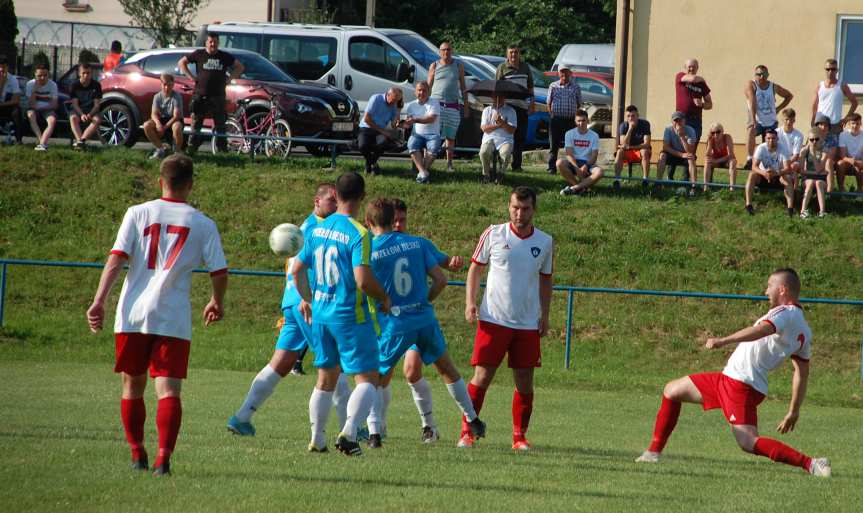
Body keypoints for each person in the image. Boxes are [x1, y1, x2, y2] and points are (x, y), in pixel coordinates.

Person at [86, 154, 228, 476]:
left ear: (159, 181)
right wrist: (216, 300)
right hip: (172, 316)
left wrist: (99, 301)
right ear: (190, 185)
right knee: (168, 389)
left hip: (132, 313)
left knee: (131, 386)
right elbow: (219, 271)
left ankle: (137, 454)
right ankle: (163, 459)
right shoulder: (202, 223)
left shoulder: (138, 213)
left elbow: (116, 259)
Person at [635, 269, 831, 479]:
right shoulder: (804, 330)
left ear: (782, 289)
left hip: (741, 384)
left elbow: (763, 330)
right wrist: (794, 410)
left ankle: (811, 463)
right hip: (730, 378)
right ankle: (653, 452)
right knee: (672, 390)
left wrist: (724, 340)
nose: (766, 291)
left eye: (769, 286)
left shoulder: (785, 312)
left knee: (748, 441)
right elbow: (801, 373)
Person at [226, 184, 356, 437]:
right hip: (306, 302)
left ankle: (242, 417)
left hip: (292, 302)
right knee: (333, 365)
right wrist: (309, 299)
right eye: (331, 200)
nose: (336, 204)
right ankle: (350, 429)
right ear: (317, 201)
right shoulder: (317, 229)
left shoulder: (304, 228)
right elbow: (307, 271)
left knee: (281, 363)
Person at [363, 198, 486, 448]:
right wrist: (422, 301)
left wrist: (383, 298)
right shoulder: (417, 243)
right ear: (392, 219)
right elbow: (441, 280)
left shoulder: (371, 251)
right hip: (424, 319)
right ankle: (473, 420)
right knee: (447, 369)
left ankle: (374, 432)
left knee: (377, 376)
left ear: (368, 222)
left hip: (396, 322)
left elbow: (362, 282)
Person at [291, 172, 391, 456]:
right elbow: (362, 280)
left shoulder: (316, 229)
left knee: (325, 378)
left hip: (321, 314)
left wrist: (308, 299)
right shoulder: (359, 233)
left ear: (335, 195)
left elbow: (296, 270)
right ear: (362, 197)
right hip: (350, 316)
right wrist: (383, 296)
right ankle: (348, 433)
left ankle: (317, 438)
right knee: (368, 378)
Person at [461, 186, 553, 450]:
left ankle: (519, 437)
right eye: (515, 207)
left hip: (526, 323)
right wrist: (470, 303)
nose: (519, 213)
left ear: (533, 210)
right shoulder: (493, 233)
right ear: (508, 206)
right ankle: (467, 431)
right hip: (493, 320)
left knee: (524, 381)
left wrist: (544, 315)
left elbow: (546, 281)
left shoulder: (545, 242)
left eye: (525, 209)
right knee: (482, 376)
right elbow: (475, 269)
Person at [389, 198, 466, 442]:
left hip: (414, 321)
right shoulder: (376, 246)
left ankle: (429, 426)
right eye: (394, 221)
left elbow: (444, 264)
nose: (399, 225)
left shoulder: (417, 245)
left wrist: (453, 263)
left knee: (411, 370)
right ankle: (375, 429)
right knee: (389, 375)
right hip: (387, 323)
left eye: (402, 220)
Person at [178, 33, 244, 154]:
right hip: (200, 96)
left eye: (215, 41)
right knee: (196, 125)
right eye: (210, 42)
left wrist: (229, 80)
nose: (213, 44)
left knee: (220, 126)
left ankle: (222, 152)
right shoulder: (199, 54)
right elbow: (182, 63)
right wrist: (191, 77)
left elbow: (240, 67)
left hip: (218, 96)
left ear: (218, 43)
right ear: (206, 43)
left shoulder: (224, 56)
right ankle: (192, 150)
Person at [428, 41, 468, 173]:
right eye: (444, 50)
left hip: (453, 105)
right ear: (440, 52)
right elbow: (428, 87)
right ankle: (426, 162)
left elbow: (463, 87)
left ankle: (449, 164)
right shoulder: (434, 65)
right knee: (432, 134)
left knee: (450, 137)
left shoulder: (458, 66)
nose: (446, 52)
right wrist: (425, 105)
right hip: (436, 105)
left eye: (449, 50)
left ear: (452, 51)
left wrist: (466, 106)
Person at [743, 65, 793, 169]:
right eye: (759, 74)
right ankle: (749, 159)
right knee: (750, 130)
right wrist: (753, 118)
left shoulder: (773, 87)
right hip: (757, 120)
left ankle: (768, 165)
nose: (761, 76)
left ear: (768, 75)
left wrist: (778, 108)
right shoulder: (751, 85)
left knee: (770, 144)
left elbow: (789, 96)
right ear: (755, 75)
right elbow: (752, 101)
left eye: (764, 74)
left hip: (771, 121)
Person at [810, 58, 857, 164]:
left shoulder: (842, 85)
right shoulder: (820, 86)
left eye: (833, 69)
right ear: (825, 70)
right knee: (817, 155)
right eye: (828, 69)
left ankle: (829, 178)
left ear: (837, 70)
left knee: (832, 159)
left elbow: (854, 102)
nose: (830, 72)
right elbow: (814, 105)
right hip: (820, 125)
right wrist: (813, 121)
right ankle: (816, 178)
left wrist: (845, 119)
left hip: (835, 126)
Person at [495, 45, 534, 172]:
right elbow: (497, 88)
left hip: (522, 106)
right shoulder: (502, 67)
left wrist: (532, 104)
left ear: (519, 54)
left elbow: (530, 88)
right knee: (505, 136)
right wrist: (497, 107)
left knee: (520, 137)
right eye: (511, 53)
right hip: (507, 106)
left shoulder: (525, 67)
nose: (513, 55)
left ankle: (517, 165)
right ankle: (502, 163)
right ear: (507, 54)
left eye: (516, 52)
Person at [744, 129, 795, 216]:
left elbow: (787, 168)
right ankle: (748, 204)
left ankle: (790, 208)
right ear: (765, 138)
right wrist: (764, 173)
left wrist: (775, 173)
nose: (771, 141)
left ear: (777, 139)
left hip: (778, 175)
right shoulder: (761, 148)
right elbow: (754, 166)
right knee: (752, 174)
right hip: (763, 176)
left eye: (773, 138)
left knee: (787, 178)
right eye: (768, 138)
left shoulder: (783, 148)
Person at [357, 88, 403, 175]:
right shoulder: (376, 99)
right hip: (366, 128)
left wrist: (398, 111)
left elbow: (394, 125)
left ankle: (369, 164)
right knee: (362, 145)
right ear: (388, 95)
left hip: (379, 131)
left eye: (397, 101)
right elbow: (367, 119)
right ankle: (373, 164)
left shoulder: (394, 105)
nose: (394, 103)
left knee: (383, 143)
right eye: (393, 100)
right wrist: (383, 131)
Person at [402, 81, 441, 184]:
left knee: (434, 148)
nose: (422, 92)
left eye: (424, 90)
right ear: (415, 92)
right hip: (417, 134)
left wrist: (415, 120)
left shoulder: (434, 102)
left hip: (433, 135)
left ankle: (421, 172)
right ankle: (423, 172)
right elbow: (408, 124)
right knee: (412, 144)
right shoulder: (411, 105)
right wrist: (403, 124)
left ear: (429, 92)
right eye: (419, 90)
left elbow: (431, 119)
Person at [558, 109, 603, 195]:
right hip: (574, 162)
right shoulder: (569, 134)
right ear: (575, 121)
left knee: (600, 172)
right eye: (578, 121)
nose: (581, 123)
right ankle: (581, 189)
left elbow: (594, 156)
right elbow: (569, 154)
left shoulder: (594, 135)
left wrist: (586, 165)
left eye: (583, 120)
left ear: (588, 121)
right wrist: (576, 167)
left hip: (588, 163)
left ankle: (575, 188)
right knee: (559, 163)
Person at [547, 64, 582, 174]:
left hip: (570, 121)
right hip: (556, 120)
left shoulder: (576, 87)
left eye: (566, 72)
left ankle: (573, 167)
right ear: (558, 73)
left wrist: (576, 118)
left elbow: (579, 103)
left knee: (571, 145)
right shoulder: (553, 86)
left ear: (570, 73)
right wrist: (551, 114)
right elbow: (548, 103)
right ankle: (551, 168)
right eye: (562, 72)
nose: (564, 74)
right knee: (553, 145)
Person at [674, 59, 713, 155]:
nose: (691, 69)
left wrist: (702, 104)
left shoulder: (701, 85)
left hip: (696, 120)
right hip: (681, 118)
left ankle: (688, 169)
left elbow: (710, 104)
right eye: (689, 67)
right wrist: (703, 79)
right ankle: (672, 168)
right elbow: (693, 79)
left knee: (692, 147)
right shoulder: (680, 76)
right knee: (677, 145)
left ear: (697, 68)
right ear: (685, 68)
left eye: (694, 67)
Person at [143, 73, 184, 160]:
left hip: (173, 120)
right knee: (147, 125)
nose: (166, 88)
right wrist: (158, 124)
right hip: (162, 120)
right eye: (164, 85)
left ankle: (177, 152)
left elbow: (176, 116)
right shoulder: (157, 97)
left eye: (169, 85)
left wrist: (164, 128)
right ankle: (160, 149)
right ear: (161, 84)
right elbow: (153, 114)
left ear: (173, 84)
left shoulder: (177, 97)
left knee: (177, 127)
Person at [478, 93, 517, 183]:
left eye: (501, 96)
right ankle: (486, 174)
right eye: (495, 96)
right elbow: (484, 129)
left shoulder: (511, 111)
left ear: (505, 98)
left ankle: (501, 174)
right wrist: (498, 125)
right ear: (492, 97)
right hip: (489, 138)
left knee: (506, 154)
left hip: (505, 139)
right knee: (483, 152)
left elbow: (512, 130)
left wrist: (501, 122)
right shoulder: (487, 110)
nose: (498, 98)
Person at [657, 111, 697, 192]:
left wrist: (682, 137)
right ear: (672, 122)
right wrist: (681, 154)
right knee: (662, 156)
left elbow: (690, 151)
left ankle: (693, 186)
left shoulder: (690, 130)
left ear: (684, 121)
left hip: (686, 154)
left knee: (691, 158)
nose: (678, 123)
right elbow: (665, 147)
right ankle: (658, 183)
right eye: (675, 121)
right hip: (674, 153)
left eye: (680, 120)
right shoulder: (668, 129)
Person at [613, 104, 652, 187]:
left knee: (644, 151)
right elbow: (623, 144)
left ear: (637, 115)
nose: (631, 118)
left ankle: (645, 180)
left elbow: (646, 144)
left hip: (640, 151)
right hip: (627, 152)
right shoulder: (623, 125)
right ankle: (617, 179)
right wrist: (630, 129)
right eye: (628, 116)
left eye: (633, 116)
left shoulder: (645, 124)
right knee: (619, 151)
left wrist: (631, 147)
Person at [68, 62, 103, 150]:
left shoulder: (96, 85)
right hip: (78, 110)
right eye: (84, 73)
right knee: (73, 118)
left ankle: (81, 141)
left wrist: (90, 114)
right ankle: (80, 142)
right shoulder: (74, 85)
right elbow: (75, 104)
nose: (86, 75)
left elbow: (97, 105)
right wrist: (82, 114)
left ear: (91, 74)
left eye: (88, 73)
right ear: (79, 74)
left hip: (91, 110)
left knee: (97, 119)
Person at [25, 63, 58, 151]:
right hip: (33, 109)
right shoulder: (30, 84)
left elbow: (54, 105)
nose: (43, 78)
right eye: (39, 75)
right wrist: (34, 90)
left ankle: (42, 144)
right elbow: (30, 104)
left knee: (52, 120)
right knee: (31, 115)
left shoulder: (53, 85)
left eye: (45, 75)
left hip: (47, 109)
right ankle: (42, 142)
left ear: (48, 75)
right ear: (35, 75)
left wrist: (40, 108)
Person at [799, 129, 830, 219]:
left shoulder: (824, 150)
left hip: (821, 179)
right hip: (809, 178)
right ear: (808, 139)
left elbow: (819, 168)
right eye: (811, 140)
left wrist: (813, 153)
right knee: (811, 182)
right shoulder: (804, 151)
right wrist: (817, 172)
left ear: (820, 138)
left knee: (818, 183)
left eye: (816, 139)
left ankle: (822, 212)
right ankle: (803, 211)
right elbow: (801, 170)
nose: (814, 142)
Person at [703, 123, 737, 192]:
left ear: (722, 131)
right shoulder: (711, 139)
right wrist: (709, 142)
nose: (716, 135)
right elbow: (707, 155)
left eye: (718, 132)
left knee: (733, 162)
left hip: (727, 161)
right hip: (717, 161)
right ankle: (706, 187)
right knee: (707, 162)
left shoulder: (727, 137)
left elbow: (731, 155)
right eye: (713, 133)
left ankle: (732, 188)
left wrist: (716, 161)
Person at [836, 112, 863, 192]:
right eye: (853, 123)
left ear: (861, 124)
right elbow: (843, 156)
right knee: (840, 163)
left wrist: (859, 163)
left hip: (861, 161)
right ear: (849, 124)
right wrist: (853, 161)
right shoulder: (843, 135)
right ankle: (841, 189)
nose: (855, 126)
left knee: (859, 168)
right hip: (847, 161)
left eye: (857, 123)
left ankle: (860, 189)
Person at [0, 56, 23, 144]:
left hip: (7, 106)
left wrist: (2, 104)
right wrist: (1, 83)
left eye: (4, 67)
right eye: (0, 67)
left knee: (17, 112)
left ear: (7, 67)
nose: (2, 69)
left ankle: (19, 140)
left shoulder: (13, 79)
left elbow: (16, 100)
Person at [812, 114, 837, 192]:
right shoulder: (812, 136)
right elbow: (809, 151)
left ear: (829, 127)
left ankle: (830, 190)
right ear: (817, 126)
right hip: (814, 159)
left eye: (826, 125)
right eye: (821, 125)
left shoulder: (832, 137)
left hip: (826, 160)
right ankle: (805, 187)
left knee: (828, 162)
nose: (823, 127)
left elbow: (832, 154)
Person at [776, 108, 805, 177]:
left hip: (791, 161)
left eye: (791, 120)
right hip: (777, 160)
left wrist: (785, 163)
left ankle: (793, 186)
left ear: (794, 120)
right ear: (782, 120)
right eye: (786, 119)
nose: (789, 122)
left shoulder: (799, 135)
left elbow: (795, 156)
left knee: (794, 166)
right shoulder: (776, 132)